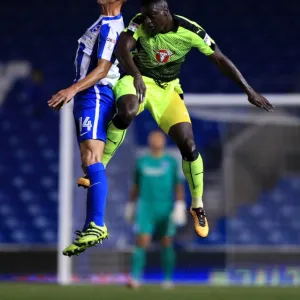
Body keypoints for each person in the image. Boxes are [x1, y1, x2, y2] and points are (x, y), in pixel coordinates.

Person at [78, 0, 274, 238]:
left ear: (165, 12)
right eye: (145, 17)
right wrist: (137, 75)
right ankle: (98, 169)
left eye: (152, 17)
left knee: (189, 146)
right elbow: (122, 48)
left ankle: (197, 206)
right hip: (137, 81)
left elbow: (220, 59)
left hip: (168, 91)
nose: (147, 21)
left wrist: (249, 91)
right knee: (127, 111)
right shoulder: (140, 23)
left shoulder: (191, 31)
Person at [48, 0, 127, 257]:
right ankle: (92, 223)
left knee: (92, 158)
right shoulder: (104, 22)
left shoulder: (111, 27)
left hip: (93, 93)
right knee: (88, 162)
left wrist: (72, 89)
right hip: (88, 95)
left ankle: (96, 225)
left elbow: (103, 68)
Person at [125, 130, 186, 289]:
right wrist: (131, 205)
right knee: (142, 241)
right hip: (146, 208)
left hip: (165, 208)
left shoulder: (171, 162)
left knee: (167, 241)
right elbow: (136, 186)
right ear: (149, 141)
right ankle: (135, 278)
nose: (156, 140)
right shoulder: (142, 162)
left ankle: (167, 279)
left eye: (159, 138)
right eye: (153, 138)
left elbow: (178, 185)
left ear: (164, 142)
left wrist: (180, 204)